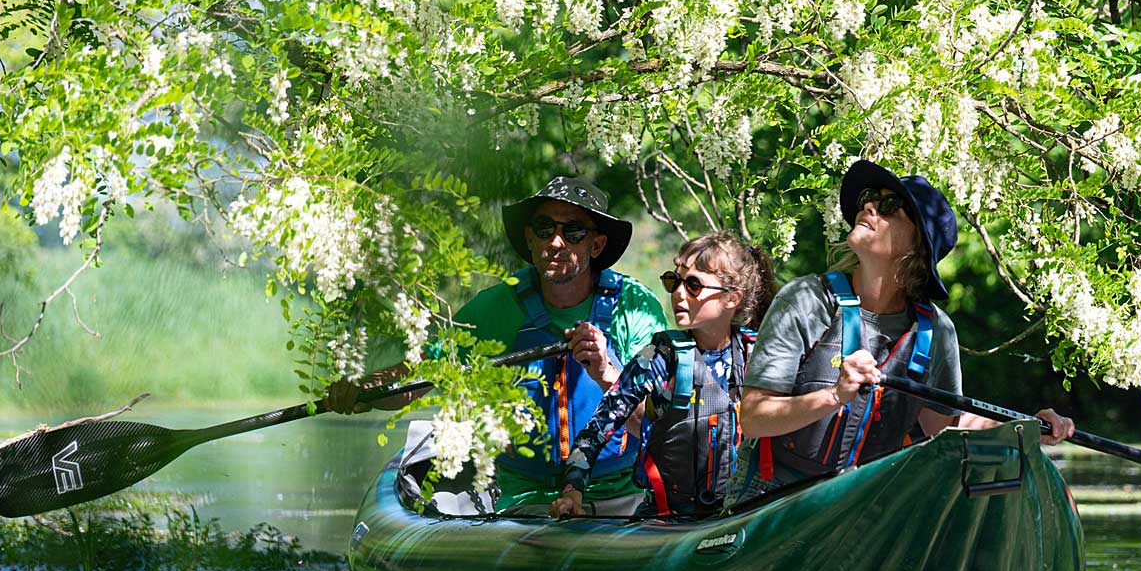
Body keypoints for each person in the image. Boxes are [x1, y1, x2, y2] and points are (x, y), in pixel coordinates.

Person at [731, 159, 1074, 502]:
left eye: (890, 206)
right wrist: (834, 396)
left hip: (861, 506)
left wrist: (1026, 430)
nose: (869, 206)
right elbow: (755, 418)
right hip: (771, 500)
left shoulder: (936, 331)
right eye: (868, 197)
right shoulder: (806, 300)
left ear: (917, 245)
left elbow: (946, 430)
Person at [327, 177, 668, 512]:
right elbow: (422, 374)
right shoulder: (497, 306)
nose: (556, 242)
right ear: (530, 238)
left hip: (620, 494)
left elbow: (659, 425)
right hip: (523, 499)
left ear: (596, 245)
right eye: (545, 228)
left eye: (574, 231)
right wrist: (365, 391)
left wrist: (607, 373)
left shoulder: (634, 307)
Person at [548, 231, 777, 520]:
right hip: (667, 522)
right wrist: (572, 490)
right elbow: (597, 428)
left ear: (732, 298)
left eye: (693, 285)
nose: (678, 293)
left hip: (743, 517)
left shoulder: (757, 353)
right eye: (674, 281)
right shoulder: (661, 356)